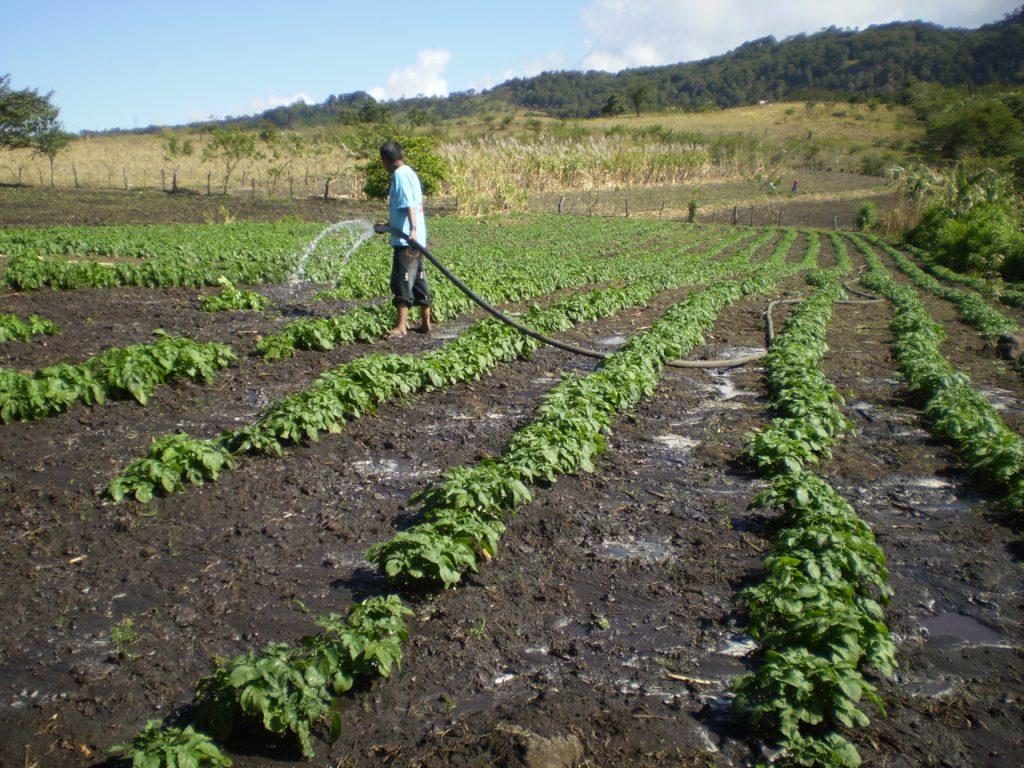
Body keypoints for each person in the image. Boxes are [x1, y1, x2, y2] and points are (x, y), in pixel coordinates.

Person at [380, 141, 431, 336]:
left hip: (407, 241)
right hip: (416, 239)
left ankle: (401, 327)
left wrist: (412, 230)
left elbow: (409, 204)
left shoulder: (399, 175)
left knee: (401, 281)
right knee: (418, 280)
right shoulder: (410, 172)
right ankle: (426, 323)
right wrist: (388, 224)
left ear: (385, 159)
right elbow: (409, 205)